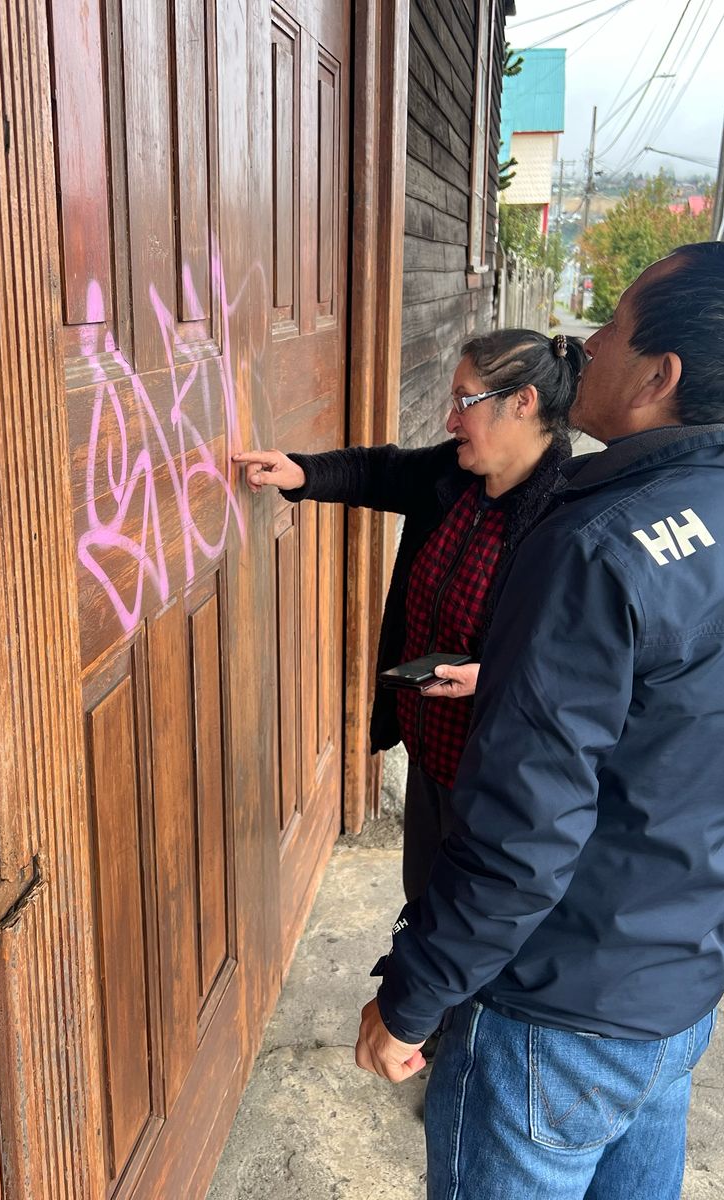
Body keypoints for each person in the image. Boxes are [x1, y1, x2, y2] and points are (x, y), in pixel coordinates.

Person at [352, 242, 724, 1199]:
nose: (590, 341)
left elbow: (522, 825)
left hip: (551, 1014)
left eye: (614, 325)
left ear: (661, 377)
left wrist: (414, 999)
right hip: (676, 991)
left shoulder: (596, 543)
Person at [233, 330, 585, 907]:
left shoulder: (568, 515)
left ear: (523, 403)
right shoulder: (455, 478)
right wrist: (298, 472)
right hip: (428, 759)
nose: (450, 421)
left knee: (474, 925)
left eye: (464, 402)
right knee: (421, 907)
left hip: (497, 781)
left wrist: (497, 677)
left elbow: (590, 667)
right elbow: (380, 471)